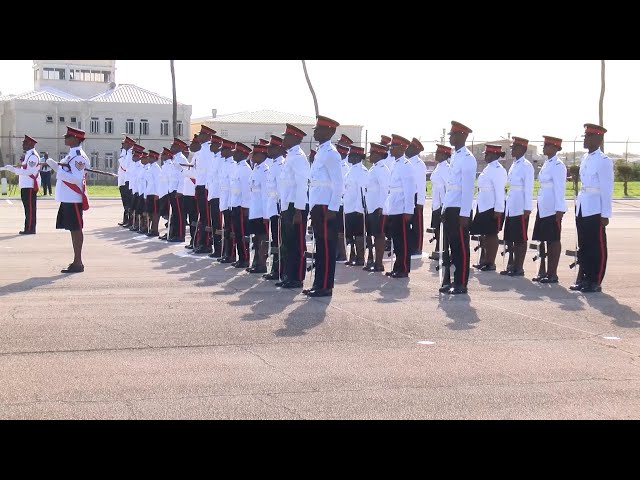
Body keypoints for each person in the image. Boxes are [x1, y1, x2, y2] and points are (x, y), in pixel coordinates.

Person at [304, 115, 344, 297]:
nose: (315, 132)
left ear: (329, 131)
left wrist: (333, 208)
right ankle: (318, 283)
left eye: (318, 129)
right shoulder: (321, 152)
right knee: (320, 246)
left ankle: (325, 286)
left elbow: (338, 183)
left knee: (327, 247)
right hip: (318, 205)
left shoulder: (331, 154)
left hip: (327, 207)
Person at [570, 123, 613, 293]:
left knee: (597, 245)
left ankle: (595, 280)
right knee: (585, 244)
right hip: (583, 205)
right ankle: (585, 278)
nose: (585, 139)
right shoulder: (585, 158)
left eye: (588, 136)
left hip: (596, 208)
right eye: (585, 136)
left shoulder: (604, 161)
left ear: (598, 139)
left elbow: (606, 188)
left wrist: (605, 213)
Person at [46, 126, 90, 273]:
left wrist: (57, 169)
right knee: (73, 228)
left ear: (76, 138)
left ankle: (78, 262)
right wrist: (58, 166)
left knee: (76, 229)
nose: (65, 138)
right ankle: (76, 261)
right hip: (68, 198)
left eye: (68, 136)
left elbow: (76, 179)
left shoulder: (78, 157)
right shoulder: (71, 155)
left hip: (74, 198)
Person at [440, 121, 477, 295]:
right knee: (452, 247)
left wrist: (464, 214)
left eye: (453, 134)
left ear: (462, 136)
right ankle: (453, 280)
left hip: (459, 209)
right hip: (451, 206)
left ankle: (461, 282)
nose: (450, 137)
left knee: (461, 248)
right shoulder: (455, 156)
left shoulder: (468, 159)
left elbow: (468, 188)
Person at [276, 123, 310, 290]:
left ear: (295, 138)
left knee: (296, 244)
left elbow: (302, 185)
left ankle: (297, 278)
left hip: (295, 207)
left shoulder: (298, 157)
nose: (284, 139)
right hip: (287, 205)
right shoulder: (290, 156)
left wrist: (298, 211)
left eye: (287, 137)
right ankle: (288, 275)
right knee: (288, 243)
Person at [531, 136, 567, 283]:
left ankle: (553, 273)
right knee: (543, 239)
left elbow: (559, 189)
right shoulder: (547, 163)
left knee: (553, 240)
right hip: (544, 206)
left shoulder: (558, 165)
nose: (544, 148)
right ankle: (543, 270)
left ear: (554, 147)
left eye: (546, 145)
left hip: (553, 208)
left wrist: (560, 209)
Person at [470, 144, 508, 272]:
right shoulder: (489, 168)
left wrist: (499, 209)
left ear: (494, 155)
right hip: (484, 205)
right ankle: (484, 260)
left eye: (487, 154)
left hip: (492, 206)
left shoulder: (498, 169)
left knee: (491, 234)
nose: (485, 156)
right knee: (484, 234)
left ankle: (490, 262)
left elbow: (499, 191)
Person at [500, 136, 534, 277]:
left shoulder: (527, 166)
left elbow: (528, 188)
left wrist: (527, 208)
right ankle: (511, 264)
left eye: (514, 147)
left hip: (520, 206)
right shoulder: (514, 164)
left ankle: (519, 266)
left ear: (522, 149)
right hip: (511, 204)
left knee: (520, 238)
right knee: (510, 237)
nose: (512, 150)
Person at [382, 134, 414, 279]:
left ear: (402, 148)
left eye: (393, 147)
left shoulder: (406, 166)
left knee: (403, 241)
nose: (390, 150)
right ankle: (397, 266)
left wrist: (408, 210)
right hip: (394, 207)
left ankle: (404, 268)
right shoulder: (395, 164)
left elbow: (409, 190)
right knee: (396, 240)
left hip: (402, 209)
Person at [2, 135, 40, 234]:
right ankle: (28, 227)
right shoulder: (28, 154)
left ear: (30, 144)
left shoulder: (33, 156)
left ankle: (30, 229)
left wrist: (13, 170)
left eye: (25, 143)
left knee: (30, 208)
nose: (23, 145)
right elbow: (24, 168)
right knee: (27, 208)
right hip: (26, 184)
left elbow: (29, 171)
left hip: (30, 185)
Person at [363, 142, 391, 272]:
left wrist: (381, 207)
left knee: (379, 235)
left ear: (379, 154)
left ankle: (379, 263)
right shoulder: (374, 168)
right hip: (371, 206)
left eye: (372, 153)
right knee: (374, 234)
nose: (370, 156)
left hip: (377, 208)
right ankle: (374, 261)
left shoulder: (382, 169)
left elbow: (385, 189)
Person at [263, 135, 286, 280]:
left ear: (278, 149)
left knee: (279, 240)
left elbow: (282, 190)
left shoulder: (281, 165)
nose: (268, 150)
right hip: (272, 207)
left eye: (271, 147)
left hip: (278, 209)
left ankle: (279, 269)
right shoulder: (273, 165)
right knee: (275, 239)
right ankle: (275, 268)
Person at [342, 145, 369, 266]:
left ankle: (360, 257)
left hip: (357, 208)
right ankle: (352, 255)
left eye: (351, 155)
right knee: (350, 233)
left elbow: (362, 192)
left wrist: (360, 208)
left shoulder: (362, 171)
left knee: (359, 234)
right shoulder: (351, 170)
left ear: (357, 157)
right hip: (349, 207)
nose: (349, 157)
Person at [192, 125, 216, 254]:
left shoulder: (209, 150)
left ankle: (206, 243)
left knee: (206, 216)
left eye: (201, 134)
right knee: (203, 215)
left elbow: (209, 172)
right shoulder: (201, 150)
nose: (199, 136)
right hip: (200, 186)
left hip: (205, 186)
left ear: (207, 136)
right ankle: (201, 241)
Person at [247, 143, 269, 273]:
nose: (252, 156)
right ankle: (256, 261)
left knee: (262, 237)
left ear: (261, 155)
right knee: (256, 237)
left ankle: (262, 263)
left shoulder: (265, 171)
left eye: (254, 154)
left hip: (261, 210)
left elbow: (266, 194)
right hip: (254, 209)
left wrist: (266, 214)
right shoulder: (256, 168)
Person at [429, 144, 451, 260]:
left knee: (444, 228)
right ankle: (438, 248)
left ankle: (444, 250)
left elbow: (448, 187)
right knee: (437, 227)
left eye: (438, 153)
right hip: (436, 203)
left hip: (443, 203)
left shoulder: (446, 168)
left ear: (444, 155)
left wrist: (445, 205)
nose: (436, 155)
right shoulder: (438, 167)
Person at [406, 138, 427, 256]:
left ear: (415, 149)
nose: (407, 150)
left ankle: (417, 247)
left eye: (409, 147)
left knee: (417, 224)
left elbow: (420, 184)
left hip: (416, 196)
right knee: (409, 223)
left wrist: (420, 201)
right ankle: (410, 245)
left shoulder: (419, 164)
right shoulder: (408, 162)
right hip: (409, 195)